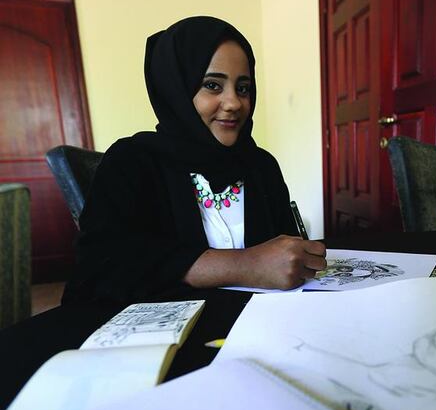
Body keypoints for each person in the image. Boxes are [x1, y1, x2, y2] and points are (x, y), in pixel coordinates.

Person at [63, 16, 326, 303]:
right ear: (175, 88)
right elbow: (99, 270)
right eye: (213, 85)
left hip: (264, 330)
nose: (234, 103)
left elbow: (286, 254)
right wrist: (243, 265)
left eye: (243, 88)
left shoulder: (261, 166)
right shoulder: (132, 161)